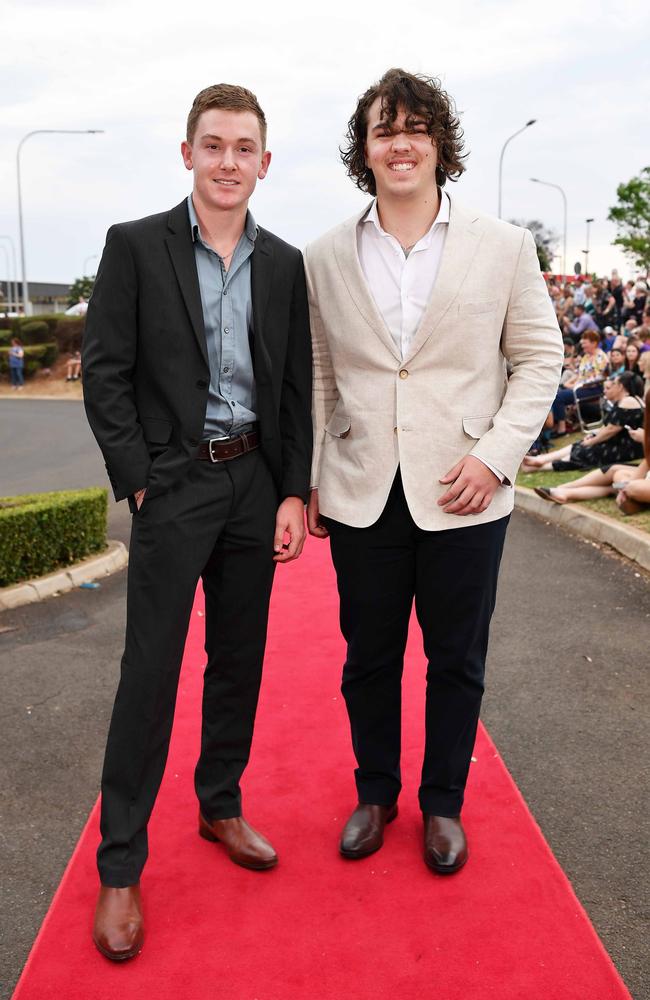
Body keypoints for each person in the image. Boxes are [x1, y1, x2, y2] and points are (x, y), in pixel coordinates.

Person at [305, 68, 562, 876]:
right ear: (366, 150)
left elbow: (539, 359)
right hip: (361, 485)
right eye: (385, 130)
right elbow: (316, 371)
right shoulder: (324, 255)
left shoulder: (506, 245)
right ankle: (376, 792)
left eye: (416, 127)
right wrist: (311, 473)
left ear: (439, 143)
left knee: (456, 659)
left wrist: (494, 457)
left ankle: (443, 803)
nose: (401, 142)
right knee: (368, 657)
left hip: (464, 488)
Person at [82, 83, 312, 961]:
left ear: (263, 161)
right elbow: (105, 374)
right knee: (150, 673)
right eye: (211, 145)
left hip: (255, 482)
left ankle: (220, 805)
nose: (227, 162)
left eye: (243, 147)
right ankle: (119, 866)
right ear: (188, 154)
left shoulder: (284, 263)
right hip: (173, 488)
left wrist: (293, 489)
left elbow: (293, 384)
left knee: (239, 660)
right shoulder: (135, 247)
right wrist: (140, 481)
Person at [534, 391, 649, 514]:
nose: (606, 390)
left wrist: (645, 439)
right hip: (644, 474)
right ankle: (563, 491)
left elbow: (612, 430)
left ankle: (623, 492)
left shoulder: (629, 403)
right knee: (617, 474)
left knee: (629, 486)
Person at [523, 372, 644, 472]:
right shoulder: (630, 400)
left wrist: (593, 441)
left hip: (626, 448)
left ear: (621, 386)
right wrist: (593, 436)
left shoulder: (628, 401)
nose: (612, 386)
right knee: (582, 443)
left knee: (586, 451)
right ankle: (540, 460)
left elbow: (611, 430)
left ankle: (539, 466)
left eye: (615, 384)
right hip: (622, 444)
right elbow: (609, 428)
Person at [550, 330, 609, 436]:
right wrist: (567, 383)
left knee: (559, 397)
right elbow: (578, 374)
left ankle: (561, 429)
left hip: (593, 389)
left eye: (585, 343)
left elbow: (598, 377)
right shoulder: (586, 357)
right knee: (556, 391)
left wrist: (575, 385)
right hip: (582, 387)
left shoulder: (601, 357)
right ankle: (558, 424)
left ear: (594, 343)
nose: (582, 346)